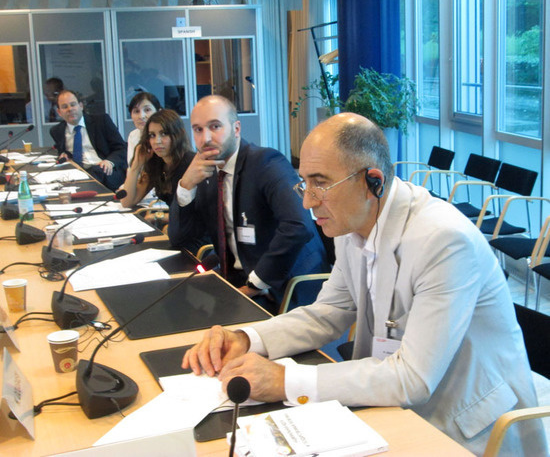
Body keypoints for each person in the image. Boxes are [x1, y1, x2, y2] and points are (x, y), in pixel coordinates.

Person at [182, 113, 547, 456]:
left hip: (466, 427)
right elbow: (328, 312)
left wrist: (285, 380)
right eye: (304, 183)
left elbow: (413, 378)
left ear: (373, 181)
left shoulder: (444, 240)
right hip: (397, 406)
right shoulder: (352, 221)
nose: (307, 201)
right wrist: (247, 338)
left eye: (320, 183)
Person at [169, 95, 329, 313]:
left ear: (236, 129)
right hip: (235, 279)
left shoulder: (266, 162)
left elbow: (299, 226)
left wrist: (255, 284)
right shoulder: (204, 172)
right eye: (198, 130)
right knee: (179, 310)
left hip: (282, 285)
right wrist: (186, 186)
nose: (205, 138)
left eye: (215, 126)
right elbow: (181, 239)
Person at [50, 89, 127, 191]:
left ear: (81, 106)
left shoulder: (101, 121)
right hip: (76, 173)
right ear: (59, 112)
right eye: (65, 107)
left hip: (104, 170)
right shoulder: (57, 131)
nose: (70, 109)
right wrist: (64, 155)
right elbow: (64, 151)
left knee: (94, 173)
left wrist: (110, 161)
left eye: (73, 104)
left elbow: (122, 148)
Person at [120, 109, 194, 208]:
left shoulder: (190, 164)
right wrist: (136, 166)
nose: (157, 141)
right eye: (152, 135)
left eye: (164, 134)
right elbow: (127, 202)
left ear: (178, 134)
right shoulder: (156, 164)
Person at [126, 92, 161, 165]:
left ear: (159, 112)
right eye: (136, 111)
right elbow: (131, 166)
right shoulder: (133, 135)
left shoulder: (167, 135)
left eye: (147, 110)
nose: (141, 116)